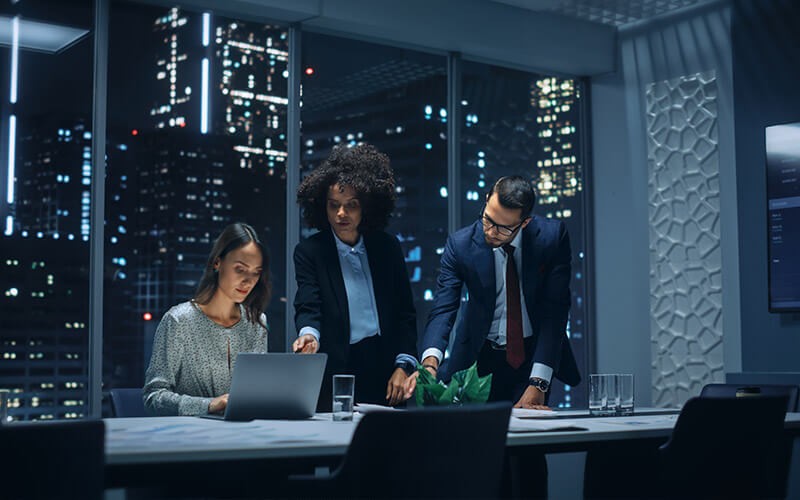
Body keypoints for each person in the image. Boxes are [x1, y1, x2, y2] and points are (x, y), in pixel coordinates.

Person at [406, 175, 581, 408]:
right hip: (478, 360)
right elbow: (444, 308)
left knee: (526, 439)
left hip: (532, 357)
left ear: (524, 223)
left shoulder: (551, 238)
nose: (490, 232)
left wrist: (539, 382)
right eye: (488, 220)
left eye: (503, 228)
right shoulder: (460, 245)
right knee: (476, 440)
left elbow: (555, 312)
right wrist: (429, 364)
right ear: (487, 199)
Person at [292, 143, 417, 410]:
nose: (341, 213)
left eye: (351, 205)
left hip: (385, 369)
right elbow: (308, 303)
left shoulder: (387, 247)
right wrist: (309, 335)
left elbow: (405, 315)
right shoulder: (310, 252)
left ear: (367, 207)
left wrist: (403, 365)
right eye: (333, 205)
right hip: (336, 371)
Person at [143, 222, 270, 416]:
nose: (248, 281)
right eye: (240, 269)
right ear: (217, 263)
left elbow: (257, 391)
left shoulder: (256, 323)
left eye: (256, 273)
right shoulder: (178, 321)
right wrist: (208, 405)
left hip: (245, 435)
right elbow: (153, 397)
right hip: (192, 438)